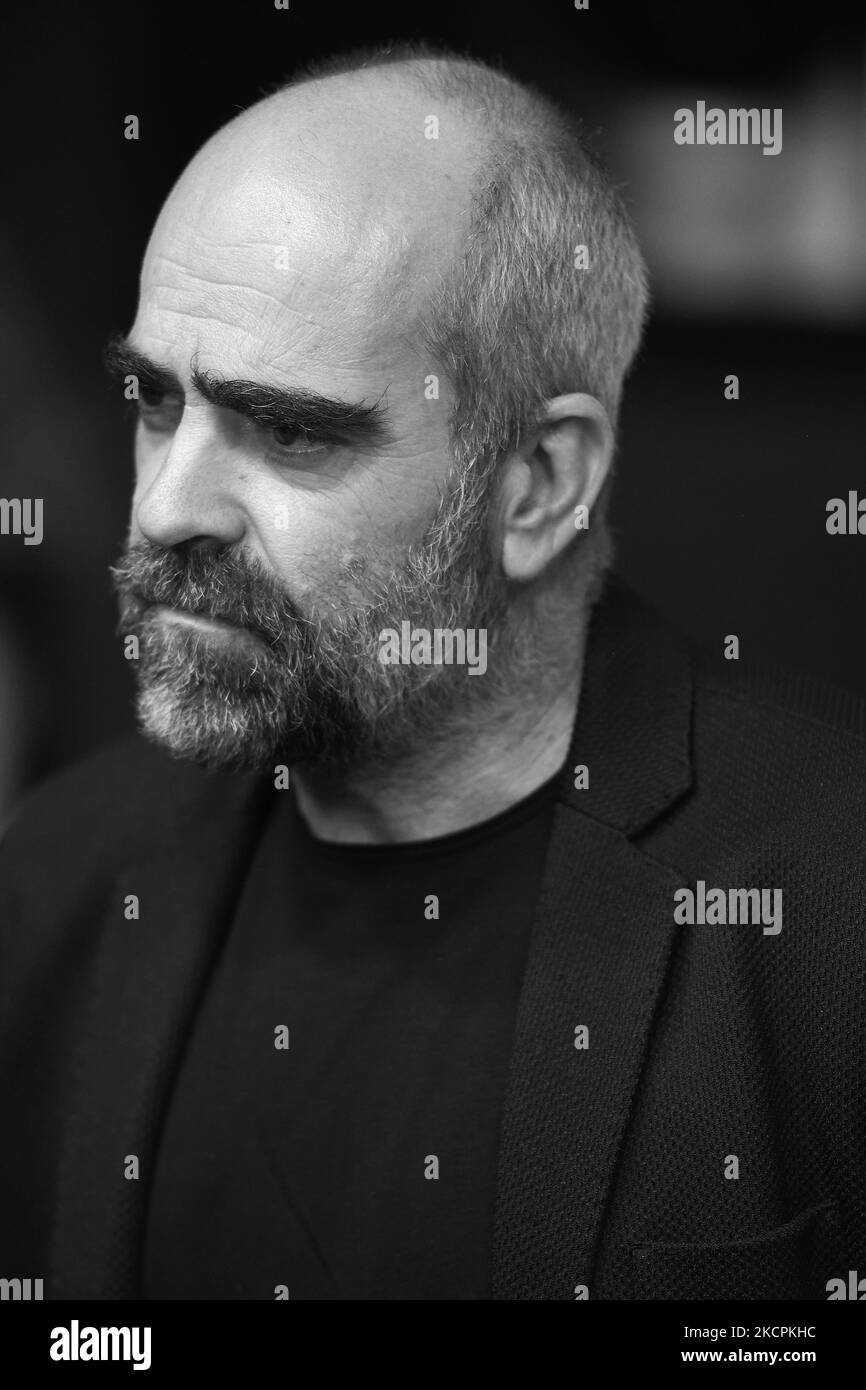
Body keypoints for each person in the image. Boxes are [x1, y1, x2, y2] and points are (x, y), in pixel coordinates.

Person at [1, 43, 864, 1302]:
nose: (170, 505)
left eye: (289, 430)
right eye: (151, 401)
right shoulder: (58, 877)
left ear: (539, 484)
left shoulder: (829, 906)